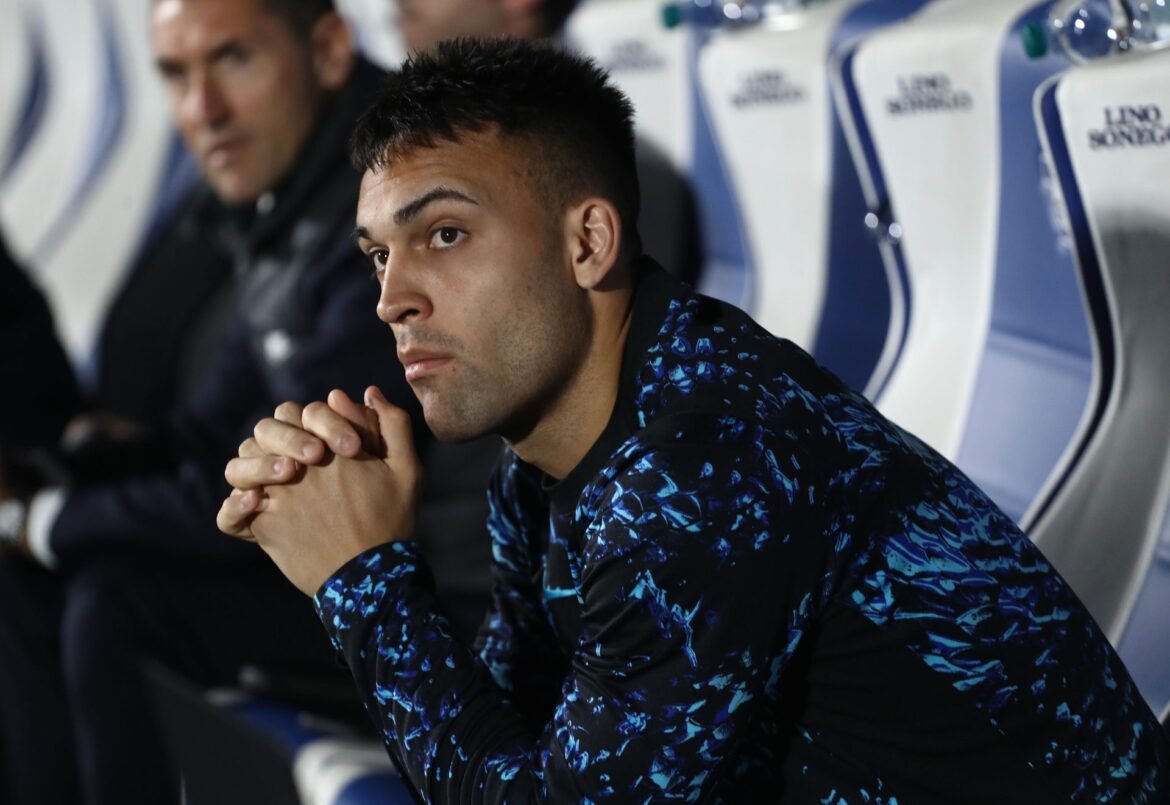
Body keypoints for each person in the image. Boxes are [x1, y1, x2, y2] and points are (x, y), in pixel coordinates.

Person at [219, 37, 1168, 802]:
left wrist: (364, 580)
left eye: (445, 234)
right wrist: (351, 543)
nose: (393, 297)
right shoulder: (541, 467)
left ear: (589, 241)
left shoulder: (704, 463)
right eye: (379, 255)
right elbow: (509, 743)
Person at [0, 1, 421, 803]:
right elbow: (210, 437)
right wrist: (68, 469)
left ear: (329, 49)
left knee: (111, 600)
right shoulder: (291, 201)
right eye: (174, 74)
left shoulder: (386, 202)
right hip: (331, 573)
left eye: (233, 59)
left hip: (430, 604)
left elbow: (280, 490)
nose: (203, 110)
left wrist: (39, 520)